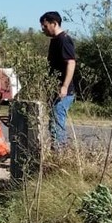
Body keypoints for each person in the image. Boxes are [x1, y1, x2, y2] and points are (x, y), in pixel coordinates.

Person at [41, 11, 77, 149]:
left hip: (64, 92)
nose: (43, 29)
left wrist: (64, 86)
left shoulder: (64, 40)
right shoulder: (55, 41)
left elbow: (71, 63)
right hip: (54, 90)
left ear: (54, 23)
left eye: (45, 26)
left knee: (57, 122)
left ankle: (60, 153)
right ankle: (57, 151)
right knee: (53, 123)